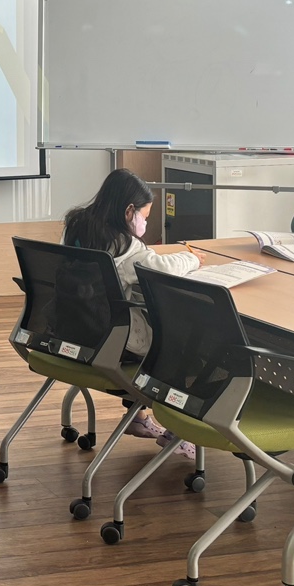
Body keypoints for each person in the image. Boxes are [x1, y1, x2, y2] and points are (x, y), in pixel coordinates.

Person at [61, 168, 200, 458]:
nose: (145, 223)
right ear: (128, 211)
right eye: (144, 216)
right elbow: (161, 268)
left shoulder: (78, 225)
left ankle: (137, 416)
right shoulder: (126, 246)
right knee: (183, 343)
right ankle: (179, 430)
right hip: (112, 337)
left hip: (73, 328)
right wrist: (191, 258)